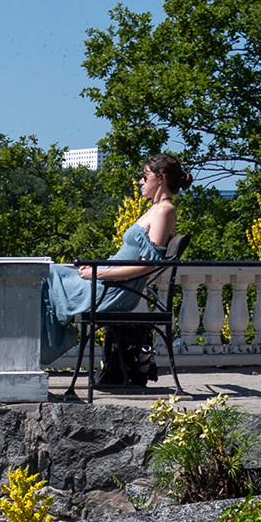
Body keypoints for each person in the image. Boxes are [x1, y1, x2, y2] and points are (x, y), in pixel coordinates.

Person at [39, 154, 188, 381]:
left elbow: (148, 266)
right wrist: (97, 268)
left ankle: (34, 351)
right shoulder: (154, 209)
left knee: (45, 276)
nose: (140, 181)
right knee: (47, 272)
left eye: (145, 176)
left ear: (161, 177)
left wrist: (100, 272)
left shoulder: (164, 211)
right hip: (109, 282)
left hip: (115, 290)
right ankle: (38, 348)